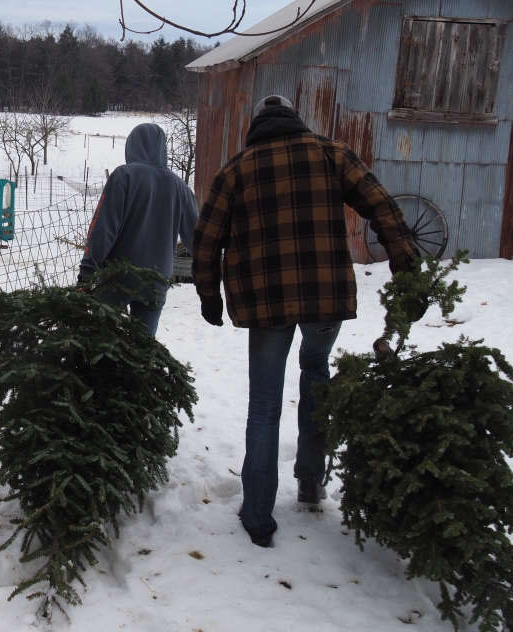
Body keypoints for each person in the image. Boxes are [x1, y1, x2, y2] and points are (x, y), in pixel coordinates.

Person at [191, 95, 419, 548]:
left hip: (266, 305)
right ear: (296, 118)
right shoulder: (332, 154)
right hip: (325, 299)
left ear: (256, 124)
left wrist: (208, 293)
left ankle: (257, 515)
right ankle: (311, 484)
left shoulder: (236, 170)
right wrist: (406, 267)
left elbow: (205, 239)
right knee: (316, 373)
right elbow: (382, 206)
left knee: (264, 405)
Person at [78, 122, 199, 336]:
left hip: (117, 278)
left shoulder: (123, 176)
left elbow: (104, 229)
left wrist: (87, 272)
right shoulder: (180, 187)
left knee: (102, 343)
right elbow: (198, 241)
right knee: (142, 351)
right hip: (156, 283)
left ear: (131, 147)